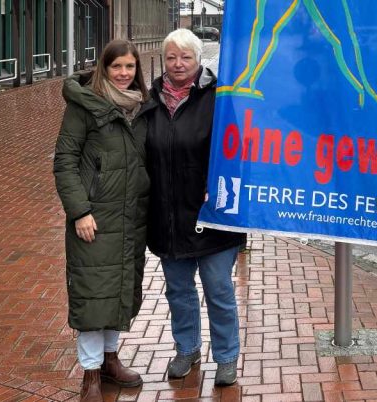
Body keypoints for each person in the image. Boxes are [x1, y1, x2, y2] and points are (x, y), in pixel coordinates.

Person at [145, 29, 247, 387]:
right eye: (171, 57)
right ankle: (186, 348)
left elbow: (238, 149)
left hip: (212, 215)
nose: (178, 64)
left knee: (218, 288)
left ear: (198, 59)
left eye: (185, 57)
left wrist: (217, 185)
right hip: (168, 215)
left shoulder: (218, 97)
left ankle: (227, 356)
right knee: (178, 291)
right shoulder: (150, 100)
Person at [53, 39, 153, 402]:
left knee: (119, 292)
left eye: (130, 67)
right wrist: (79, 210)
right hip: (94, 219)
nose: (124, 74)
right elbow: (64, 162)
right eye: (117, 67)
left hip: (129, 219)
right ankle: (90, 373)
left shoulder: (141, 108)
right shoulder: (85, 107)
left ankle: (111, 360)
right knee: (93, 296)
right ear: (104, 69)